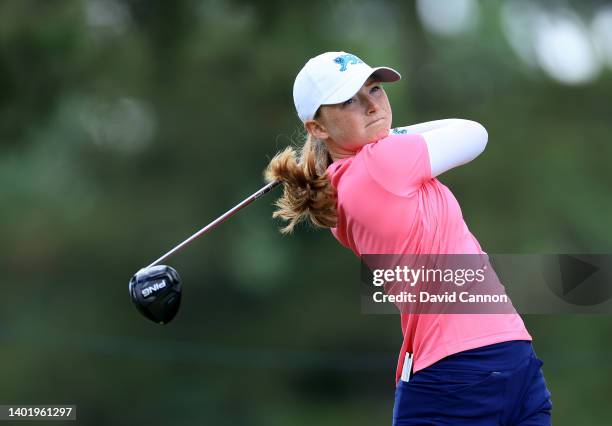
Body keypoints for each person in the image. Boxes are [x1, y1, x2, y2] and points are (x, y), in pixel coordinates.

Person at [264, 51, 553, 425]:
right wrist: (385, 134)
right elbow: (473, 132)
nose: (371, 105)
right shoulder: (382, 163)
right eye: (350, 99)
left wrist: (368, 138)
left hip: (463, 370)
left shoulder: (340, 194)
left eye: (375, 90)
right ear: (317, 127)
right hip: (505, 362)